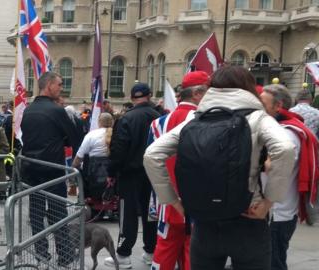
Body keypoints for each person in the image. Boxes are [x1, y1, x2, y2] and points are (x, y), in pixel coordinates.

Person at [144, 66, 296, 270]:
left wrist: (174, 202)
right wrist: (269, 201)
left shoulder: (195, 118)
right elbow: (285, 149)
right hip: (248, 215)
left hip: (205, 219)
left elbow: (152, 155)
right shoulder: (258, 118)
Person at [147, 71, 210, 270]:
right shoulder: (205, 119)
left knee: (164, 251)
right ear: (198, 93)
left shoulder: (158, 123)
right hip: (197, 201)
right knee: (194, 253)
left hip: (167, 202)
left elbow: (151, 162)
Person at [21, 71, 80, 266]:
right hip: (52, 170)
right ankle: (64, 255)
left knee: (36, 213)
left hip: (32, 169)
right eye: (60, 85)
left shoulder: (28, 109)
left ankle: (41, 254)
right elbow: (74, 137)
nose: (61, 88)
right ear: (49, 86)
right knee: (57, 212)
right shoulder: (56, 110)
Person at [261, 84, 318, 270]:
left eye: (262, 103)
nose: (258, 108)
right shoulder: (282, 129)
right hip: (276, 211)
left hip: (277, 213)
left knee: (274, 263)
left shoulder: (285, 134)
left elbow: (276, 167)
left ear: (277, 106)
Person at [104, 82, 160, 268]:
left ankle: (123, 253)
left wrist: (111, 172)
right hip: (153, 172)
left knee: (127, 213)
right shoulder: (159, 117)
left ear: (132, 97)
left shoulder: (127, 118)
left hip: (130, 173)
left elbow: (118, 149)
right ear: (149, 95)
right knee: (150, 212)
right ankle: (151, 251)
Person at [72, 112, 113, 202]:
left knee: (78, 172)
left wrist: (73, 167)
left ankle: (84, 198)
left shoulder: (91, 135)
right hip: (113, 175)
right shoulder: (117, 134)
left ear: (99, 122)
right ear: (112, 122)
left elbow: (79, 156)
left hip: (94, 175)